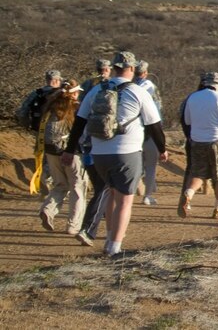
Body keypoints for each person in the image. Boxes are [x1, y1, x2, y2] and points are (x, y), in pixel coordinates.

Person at [63, 51, 167, 257]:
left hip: (99, 153)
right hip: (127, 152)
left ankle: (110, 238)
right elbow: (155, 125)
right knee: (125, 201)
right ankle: (114, 247)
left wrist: (69, 150)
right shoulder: (138, 91)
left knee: (111, 193)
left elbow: (79, 123)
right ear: (131, 69)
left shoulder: (95, 91)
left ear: (113, 67)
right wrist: (162, 149)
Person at [179, 72, 218, 220]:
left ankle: (189, 193)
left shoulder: (192, 97)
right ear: (217, 85)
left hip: (197, 142)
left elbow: (187, 120)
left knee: (199, 173)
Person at [38, 79, 88, 236]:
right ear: (73, 94)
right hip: (71, 153)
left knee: (60, 185)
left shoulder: (50, 108)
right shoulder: (76, 108)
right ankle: (73, 225)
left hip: (51, 152)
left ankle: (48, 209)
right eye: (77, 91)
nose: (79, 94)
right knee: (78, 188)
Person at [17, 69, 63, 195]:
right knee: (57, 158)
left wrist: (27, 125)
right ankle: (52, 181)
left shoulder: (36, 93)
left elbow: (22, 112)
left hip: (39, 130)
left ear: (46, 80)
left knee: (41, 156)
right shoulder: (62, 94)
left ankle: (42, 177)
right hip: (59, 132)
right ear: (57, 80)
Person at [134, 60, 162, 205]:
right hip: (150, 130)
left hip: (133, 131)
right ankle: (148, 195)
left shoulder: (127, 86)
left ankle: (135, 190)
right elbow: (157, 111)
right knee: (151, 165)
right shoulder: (150, 87)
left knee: (136, 164)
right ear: (145, 72)